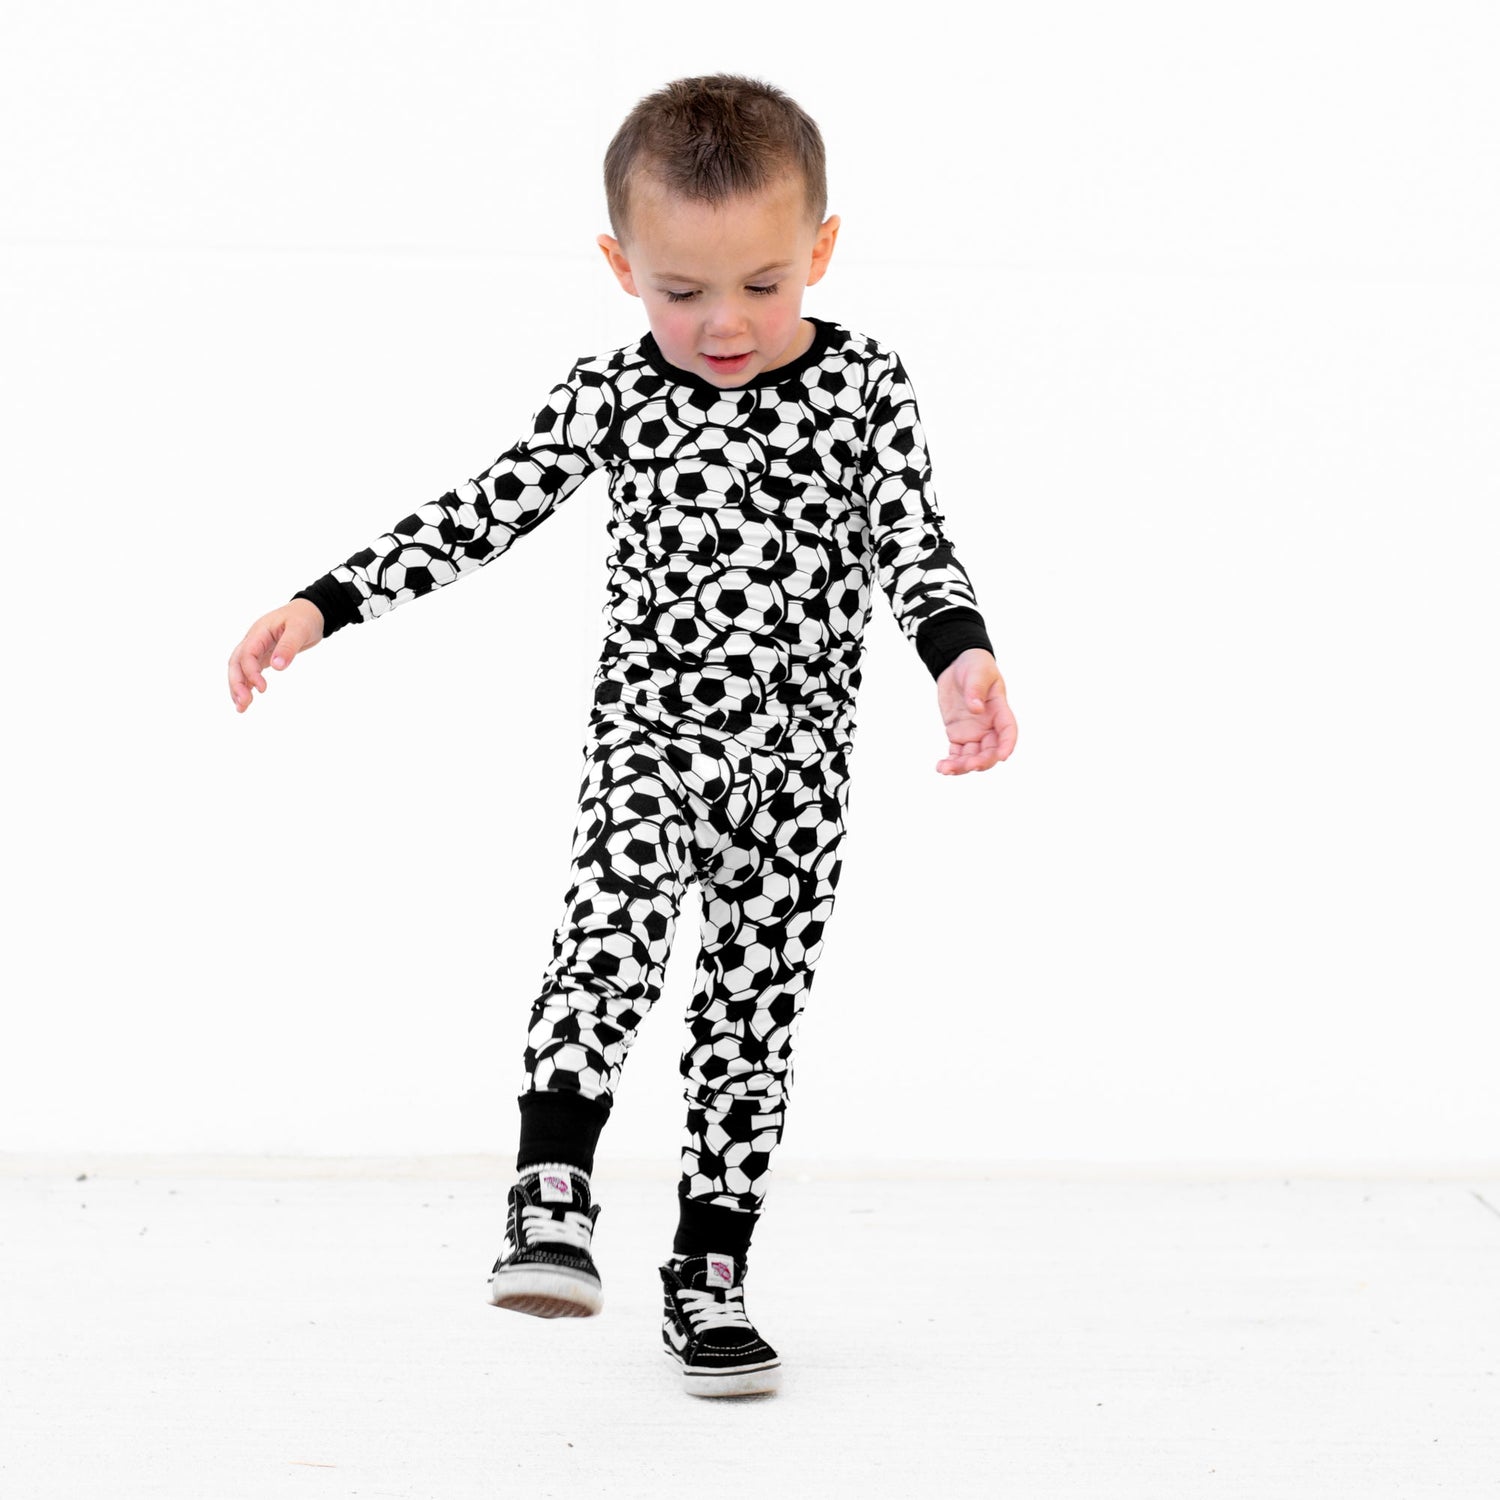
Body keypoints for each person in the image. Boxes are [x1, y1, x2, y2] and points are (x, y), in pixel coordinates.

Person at [227, 71, 1018, 1399]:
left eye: (764, 284)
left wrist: (960, 655)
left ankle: (710, 1275)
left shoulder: (866, 386)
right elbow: (481, 510)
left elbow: (909, 538)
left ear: (821, 248)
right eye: (681, 290)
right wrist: (326, 602)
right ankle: (551, 1191)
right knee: (610, 933)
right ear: (621, 268)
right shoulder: (614, 395)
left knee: (750, 1026)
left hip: (800, 773)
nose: (724, 322)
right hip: (652, 738)